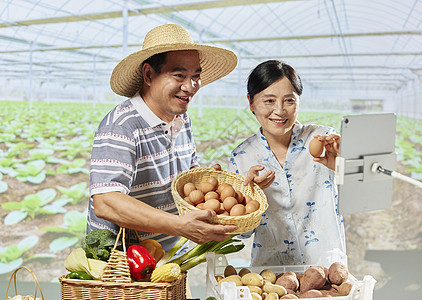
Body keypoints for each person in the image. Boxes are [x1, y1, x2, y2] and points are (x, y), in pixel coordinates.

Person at [86, 24, 239, 252]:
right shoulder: (121, 125)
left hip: (166, 256)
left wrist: (202, 180)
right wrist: (179, 225)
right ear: (148, 74)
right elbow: (106, 202)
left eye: (195, 76)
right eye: (179, 76)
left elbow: (182, 174)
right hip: (120, 264)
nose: (190, 86)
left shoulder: (180, 118)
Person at [228, 60, 346, 266]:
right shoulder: (241, 158)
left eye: (289, 100)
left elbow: (362, 198)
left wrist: (343, 166)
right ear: (251, 102)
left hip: (326, 269)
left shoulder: (324, 140)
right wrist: (249, 197)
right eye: (269, 101)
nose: (280, 111)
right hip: (271, 275)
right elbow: (242, 234)